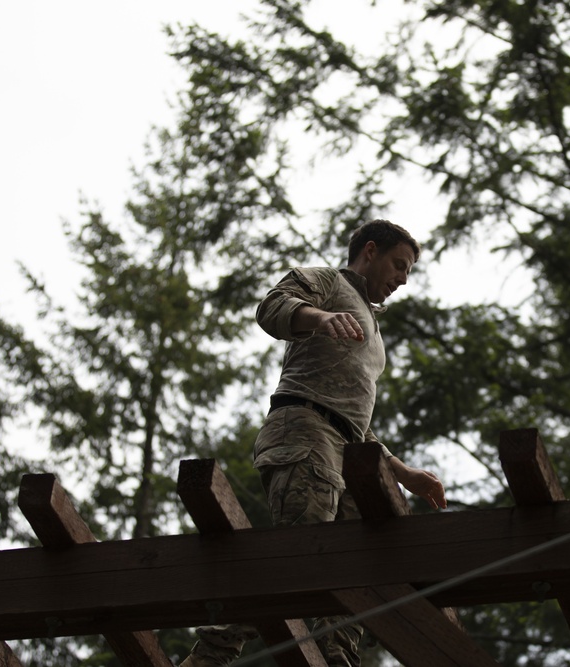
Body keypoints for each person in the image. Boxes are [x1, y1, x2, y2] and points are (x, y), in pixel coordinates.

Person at [180, 220, 447, 667]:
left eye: (409, 272)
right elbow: (272, 306)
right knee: (300, 555)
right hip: (304, 432)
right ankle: (210, 657)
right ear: (369, 251)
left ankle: (337, 662)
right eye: (399, 265)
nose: (403, 279)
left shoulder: (372, 330)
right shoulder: (327, 282)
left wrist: (402, 472)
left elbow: (355, 423)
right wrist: (320, 318)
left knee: (350, 571)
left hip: (346, 448)